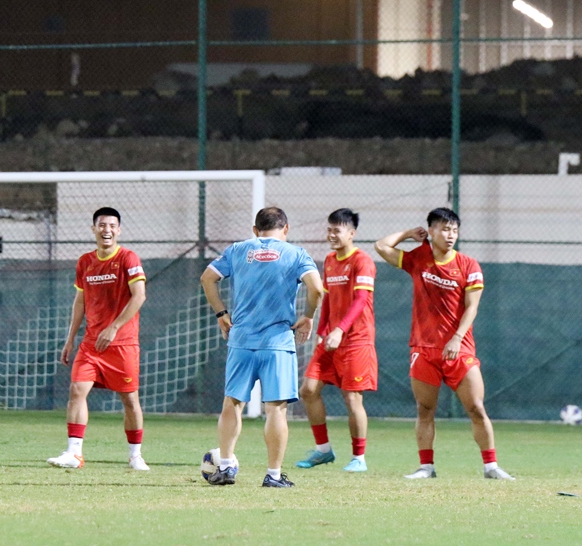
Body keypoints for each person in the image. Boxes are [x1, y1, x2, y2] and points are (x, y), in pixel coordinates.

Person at [374, 207, 513, 480]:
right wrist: (408, 234)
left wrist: (457, 338)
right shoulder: (418, 259)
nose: (450, 235)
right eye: (444, 229)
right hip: (423, 349)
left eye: (454, 230)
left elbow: (472, 308)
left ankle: (491, 467)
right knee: (425, 410)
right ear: (431, 231)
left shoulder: (469, 265)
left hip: (459, 349)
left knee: (476, 407)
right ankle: (426, 467)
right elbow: (380, 246)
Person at [200, 207, 323, 488]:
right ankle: (274, 475)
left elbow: (207, 278)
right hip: (278, 343)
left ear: (255, 230)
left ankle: (227, 467)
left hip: (242, 340)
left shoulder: (237, 250)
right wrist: (308, 316)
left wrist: (221, 313)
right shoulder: (296, 254)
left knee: (232, 403)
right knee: (276, 410)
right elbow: (316, 289)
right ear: (286, 229)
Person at [48, 207, 149, 471]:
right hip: (92, 343)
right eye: (102, 225)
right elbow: (80, 301)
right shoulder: (84, 262)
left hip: (123, 343)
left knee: (129, 400)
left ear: (119, 230)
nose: (107, 230)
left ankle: (135, 455)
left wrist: (114, 327)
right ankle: (74, 453)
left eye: (112, 225)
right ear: (94, 229)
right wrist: (70, 339)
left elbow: (139, 296)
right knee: (76, 390)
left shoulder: (128, 258)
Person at [297, 209, 376, 473]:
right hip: (330, 338)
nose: (331, 234)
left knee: (352, 399)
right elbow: (328, 298)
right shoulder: (330, 260)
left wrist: (340, 329)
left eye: (337, 230)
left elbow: (361, 300)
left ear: (351, 233)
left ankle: (359, 458)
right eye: (329, 229)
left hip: (356, 340)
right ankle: (323, 451)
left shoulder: (362, 261)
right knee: (308, 390)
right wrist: (322, 330)